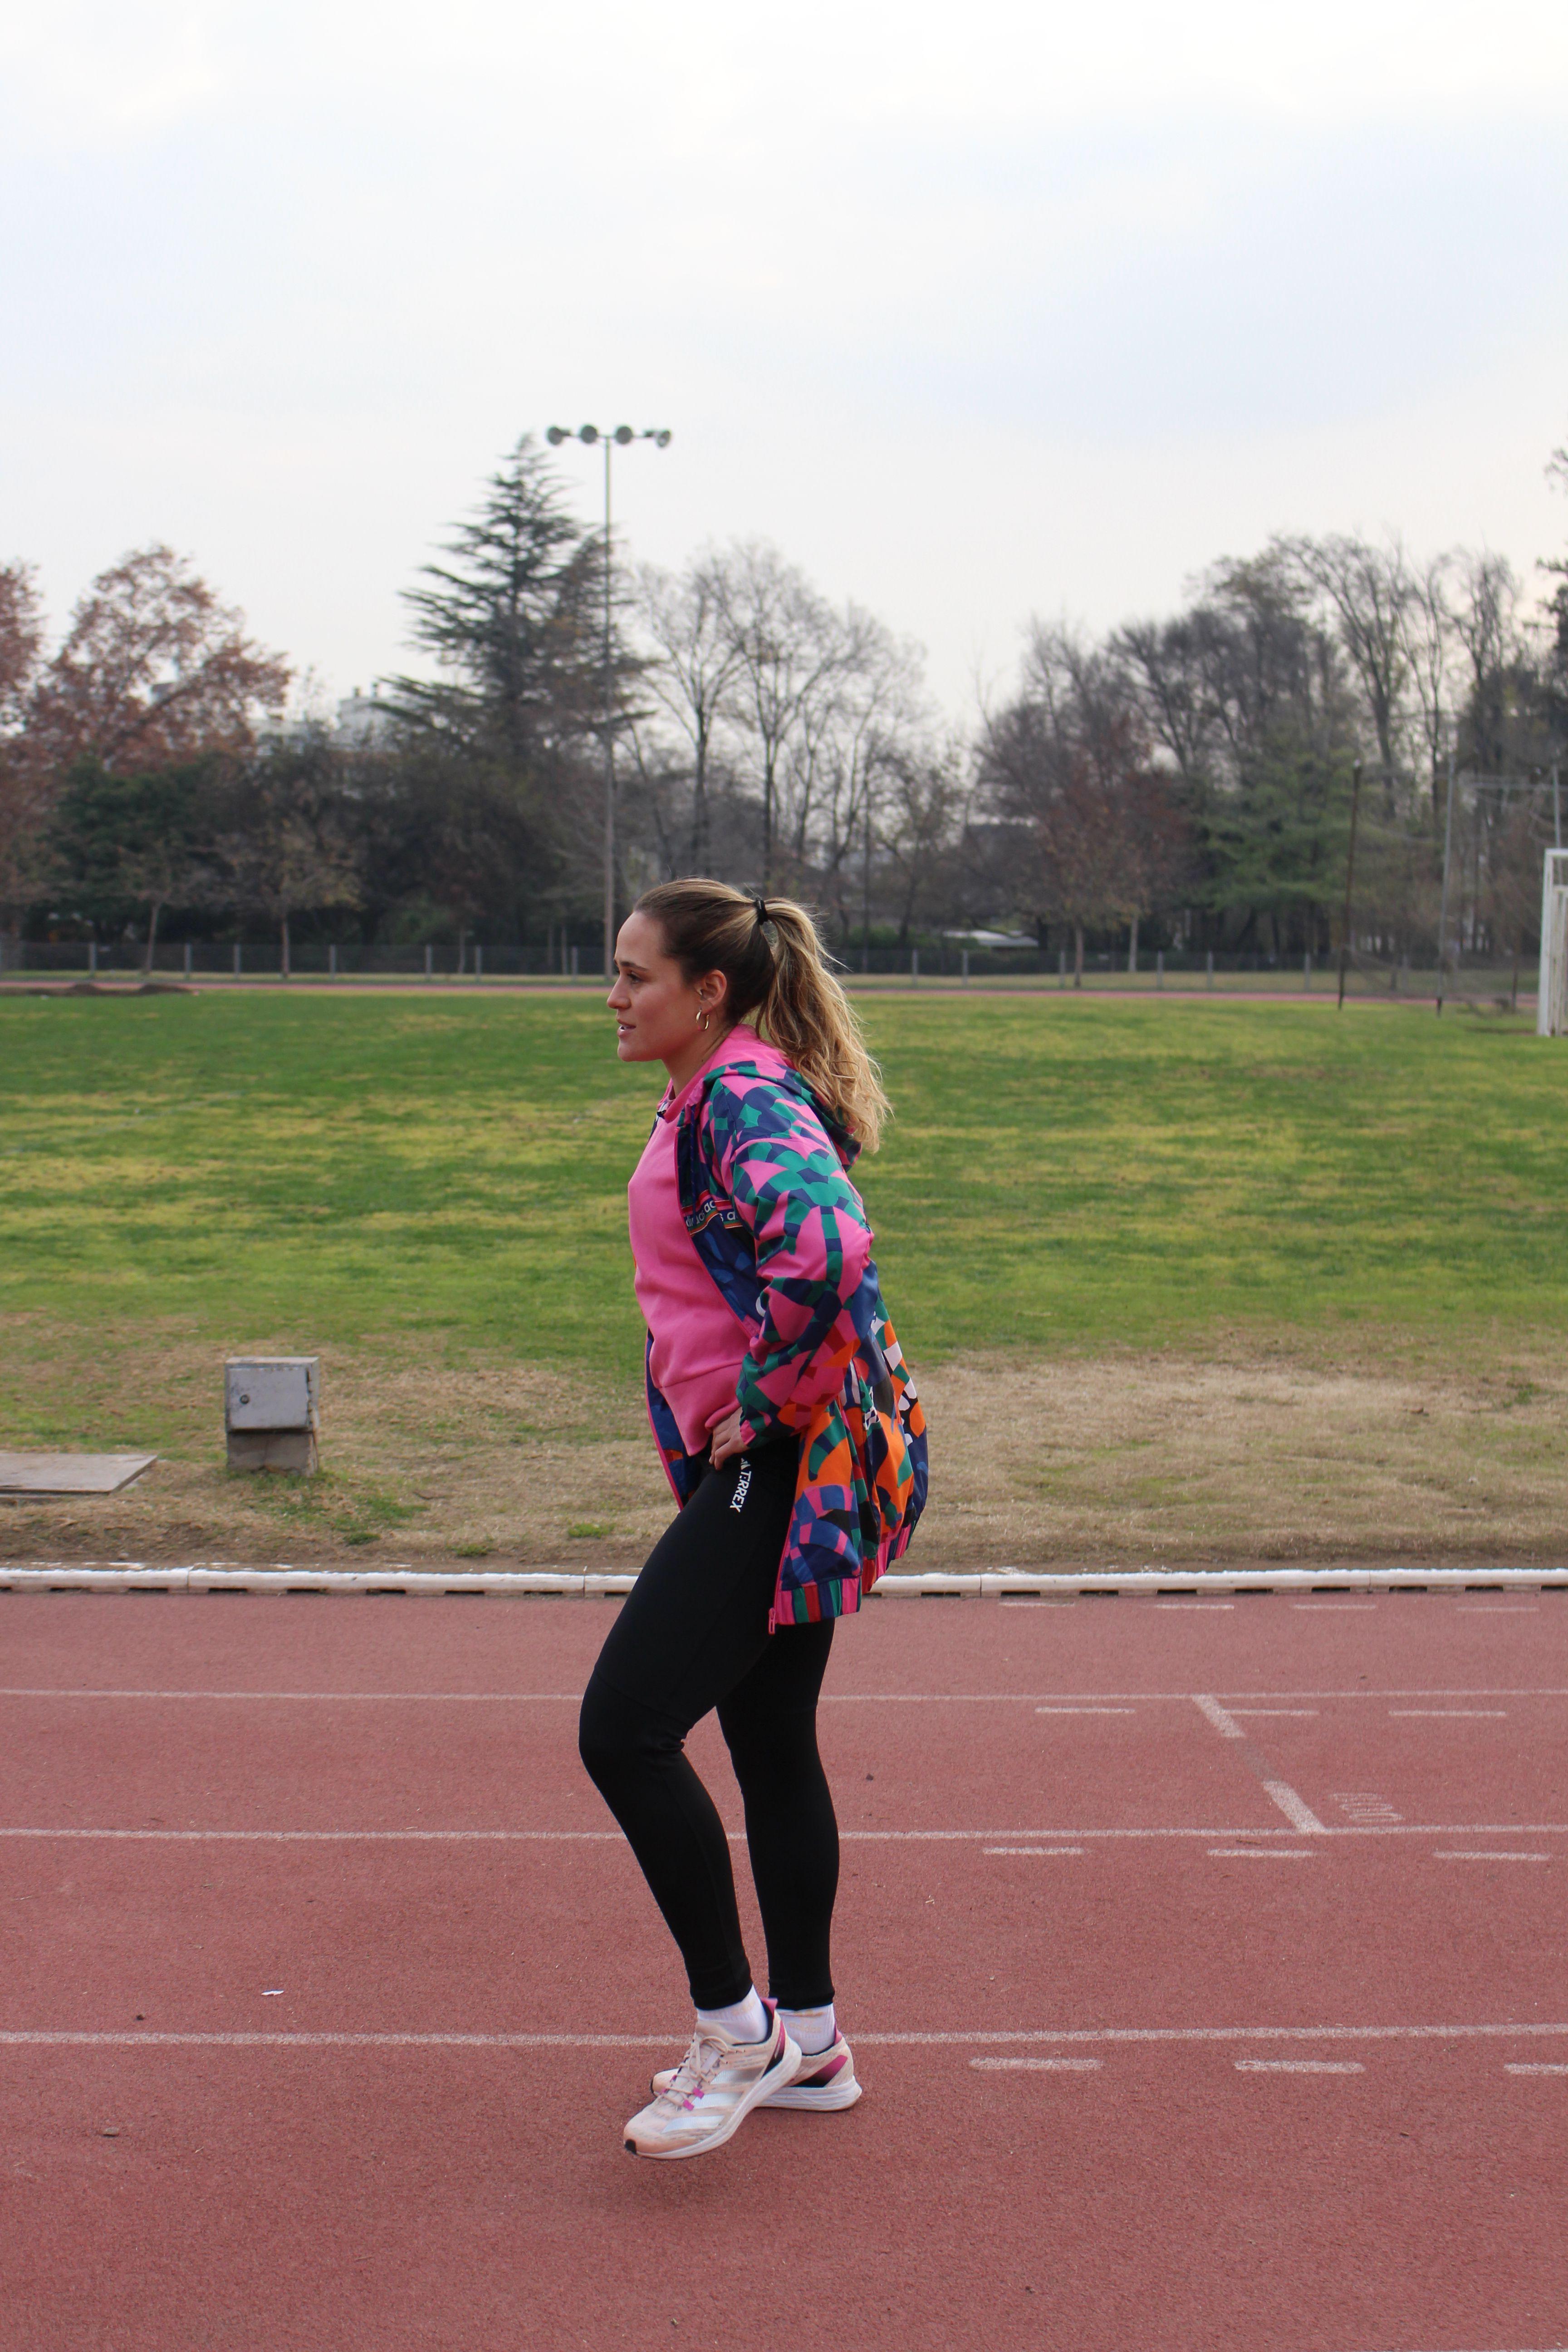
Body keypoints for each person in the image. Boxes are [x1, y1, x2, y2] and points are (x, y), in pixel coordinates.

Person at [579, 879, 927, 2160]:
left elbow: (827, 1249)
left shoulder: (740, 1094)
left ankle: (740, 2033)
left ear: (709, 990)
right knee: (770, 1738)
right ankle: (814, 2041)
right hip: (776, 1455)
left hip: (784, 1461)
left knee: (624, 1731)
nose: (613, 998)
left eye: (636, 976)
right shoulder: (709, 1091)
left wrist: (765, 1393)